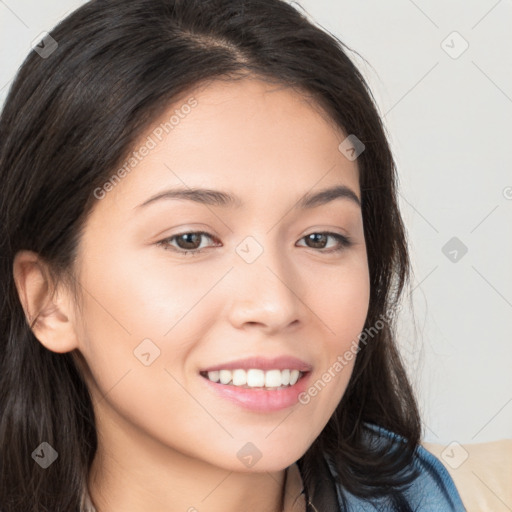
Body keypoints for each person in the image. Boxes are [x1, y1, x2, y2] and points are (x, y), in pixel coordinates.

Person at [0, 0, 467, 510]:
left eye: (320, 238)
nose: (274, 304)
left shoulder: (413, 493)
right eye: (190, 240)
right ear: (49, 299)